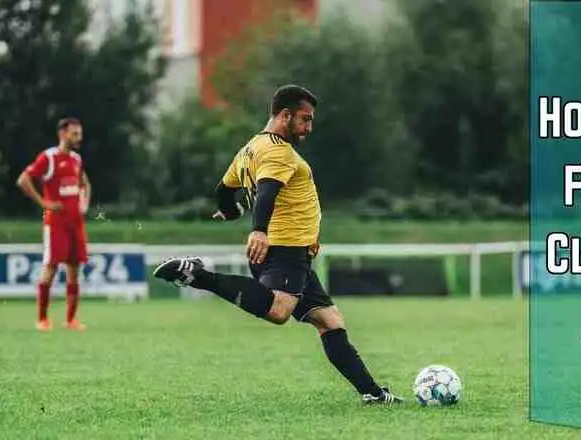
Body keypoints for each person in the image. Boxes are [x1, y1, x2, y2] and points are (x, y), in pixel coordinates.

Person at [153, 85, 403, 405]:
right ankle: (198, 276)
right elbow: (268, 190)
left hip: (292, 253)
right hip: (284, 250)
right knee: (278, 310)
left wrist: (231, 211)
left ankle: (373, 394)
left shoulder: (250, 148)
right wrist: (258, 230)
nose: (309, 128)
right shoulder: (278, 152)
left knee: (329, 321)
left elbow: (223, 190)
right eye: (304, 119)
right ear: (284, 116)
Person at [17, 117, 91, 332]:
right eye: (74, 134)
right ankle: (42, 319)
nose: (79, 138)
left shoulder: (76, 159)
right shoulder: (49, 157)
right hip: (56, 223)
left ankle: (71, 320)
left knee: (75, 268)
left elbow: (85, 183)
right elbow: (23, 179)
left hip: (75, 223)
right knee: (50, 267)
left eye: (79, 133)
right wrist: (44, 203)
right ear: (63, 134)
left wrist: (83, 203)